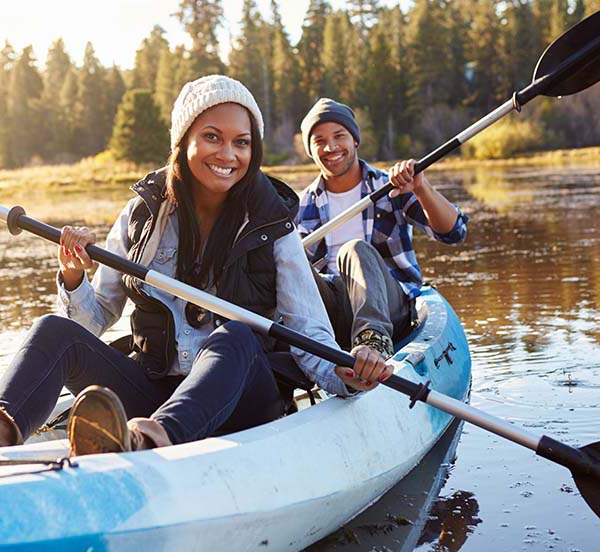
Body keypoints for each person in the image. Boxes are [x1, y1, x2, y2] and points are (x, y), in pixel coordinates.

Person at [0, 77, 393, 454]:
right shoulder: (143, 213)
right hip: (155, 389)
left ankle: (151, 441)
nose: (228, 154)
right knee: (53, 331)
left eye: (241, 142)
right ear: (182, 140)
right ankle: (4, 429)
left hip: (241, 399)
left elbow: (308, 328)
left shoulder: (273, 221)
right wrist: (73, 277)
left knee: (235, 336)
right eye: (212, 137)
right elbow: (92, 320)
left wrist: (343, 376)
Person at [296, 98, 468, 359]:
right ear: (310, 150)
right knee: (291, 262)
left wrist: (422, 188)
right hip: (332, 313)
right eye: (319, 140)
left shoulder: (390, 186)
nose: (330, 147)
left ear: (354, 139)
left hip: (389, 306)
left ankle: (373, 342)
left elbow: (454, 233)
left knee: (354, 251)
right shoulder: (301, 204)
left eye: (339, 136)